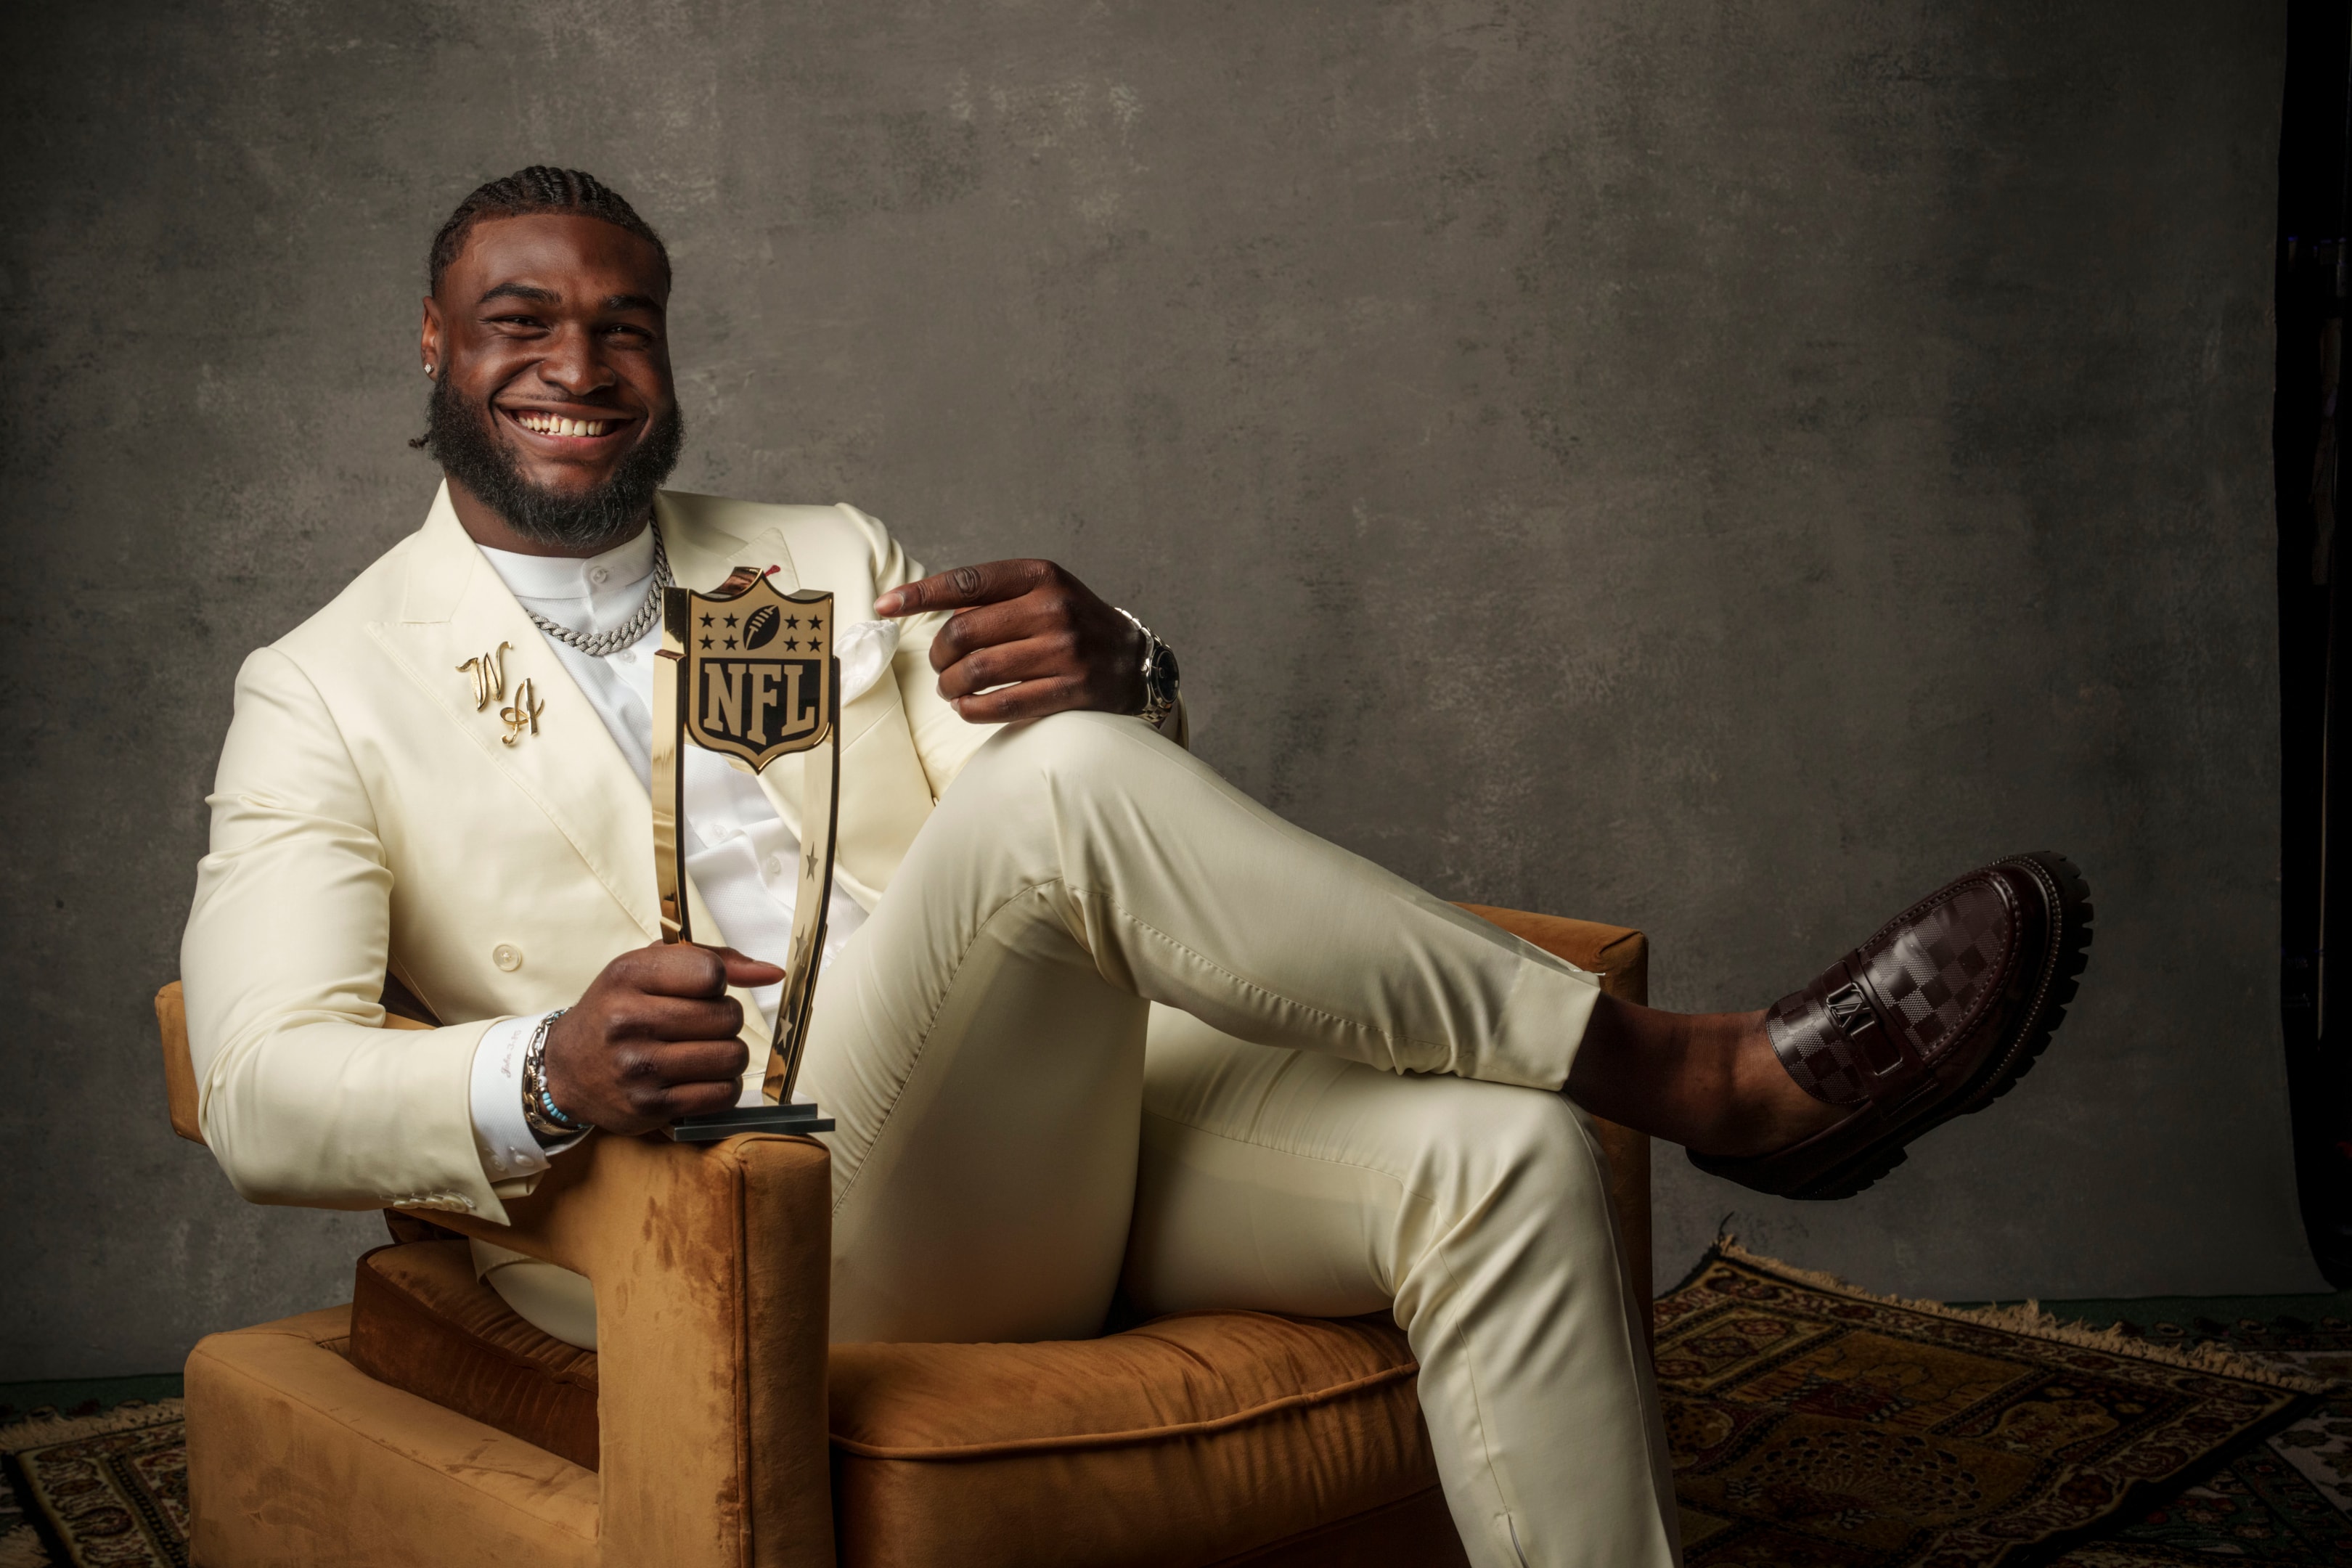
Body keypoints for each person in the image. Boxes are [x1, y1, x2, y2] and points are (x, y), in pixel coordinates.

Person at [180, 167, 2091, 1568]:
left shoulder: (815, 547)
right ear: (435, 345)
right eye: (522, 321)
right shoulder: (325, 692)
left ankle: (1630, 1128)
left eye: (624, 323)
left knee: (1500, 1157)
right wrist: (542, 1073)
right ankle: (1688, 1076)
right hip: (728, 1233)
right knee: (1081, 812)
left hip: (1004, 1146)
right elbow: (261, 1085)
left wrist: (1136, 677)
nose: (578, 365)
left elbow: (1067, 821)